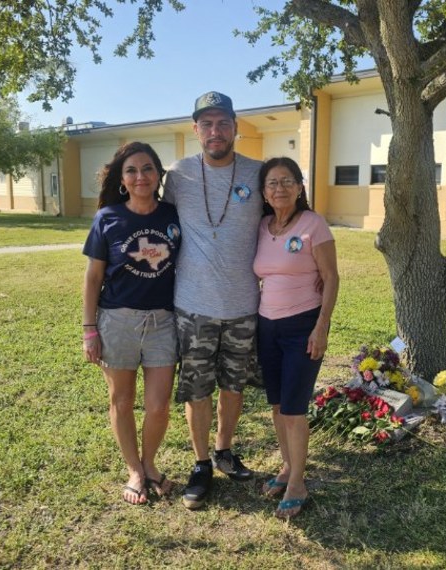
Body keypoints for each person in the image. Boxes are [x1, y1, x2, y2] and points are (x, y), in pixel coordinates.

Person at [163, 91, 263, 509]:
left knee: (233, 386)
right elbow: (159, 225)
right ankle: (201, 462)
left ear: (236, 127)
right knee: (197, 388)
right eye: (207, 124)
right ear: (195, 130)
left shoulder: (259, 173)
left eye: (223, 123)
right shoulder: (178, 174)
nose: (215, 131)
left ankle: (224, 451)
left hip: (244, 304)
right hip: (193, 305)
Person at [82, 142, 181, 505]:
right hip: (117, 321)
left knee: (159, 405)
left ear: (158, 175)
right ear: (122, 179)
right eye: (132, 171)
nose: (140, 176)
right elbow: (93, 278)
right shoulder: (108, 217)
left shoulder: (173, 214)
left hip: (163, 322)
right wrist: (89, 330)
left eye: (148, 169)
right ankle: (135, 471)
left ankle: (151, 462)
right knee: (121, 401)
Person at [253, 157, 339, 519]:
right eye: (272, 183)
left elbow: (331, 278)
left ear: (300, 187)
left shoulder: (313, 224)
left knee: (294, 408)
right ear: (263, 192)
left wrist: (321, 327)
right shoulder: (262, 226)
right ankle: (288, 467)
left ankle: (298, 483)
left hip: (302, 326)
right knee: (276, 405)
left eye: (287, 181)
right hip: (266, 326)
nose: (279, 188)